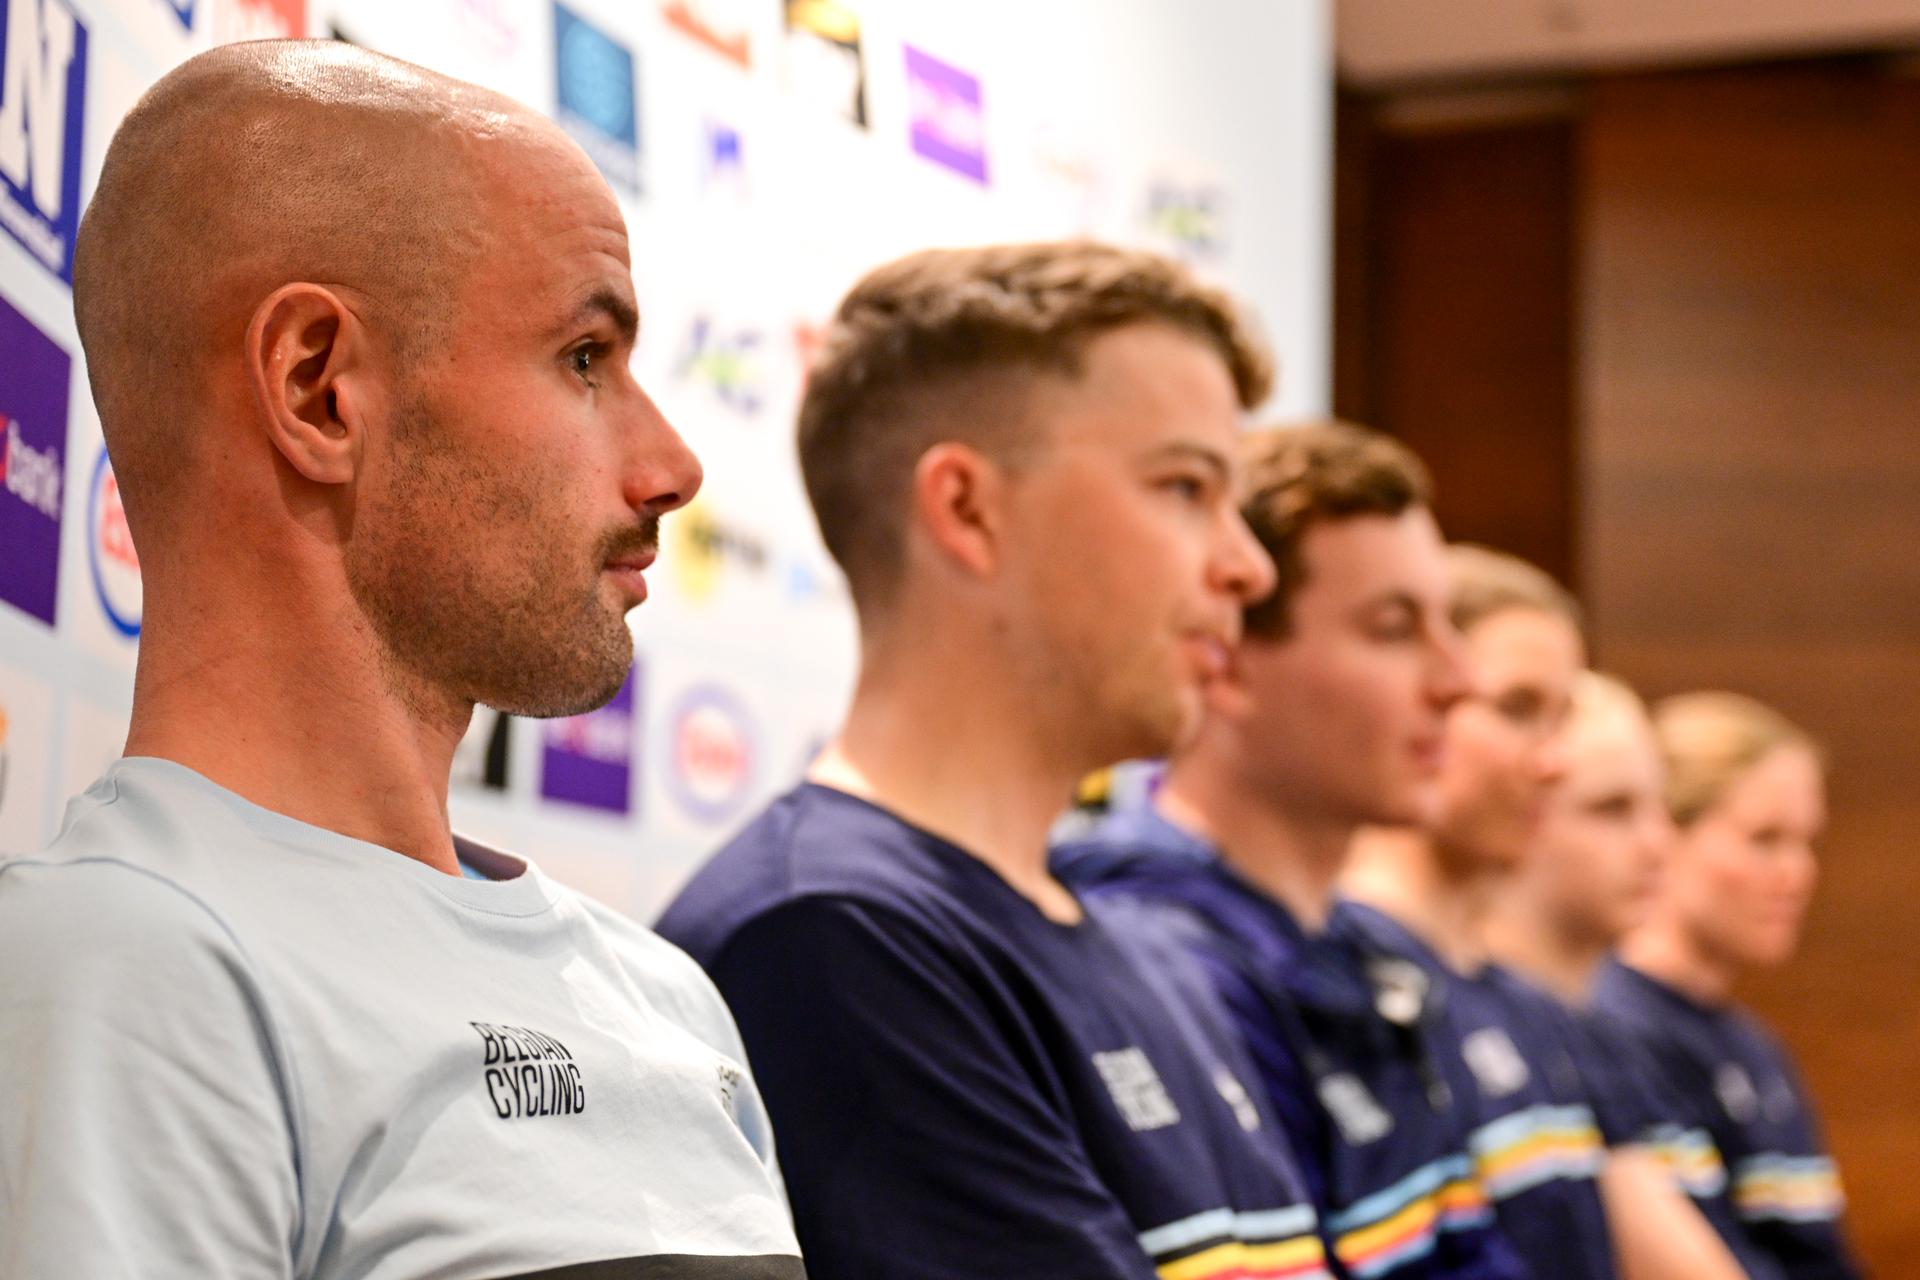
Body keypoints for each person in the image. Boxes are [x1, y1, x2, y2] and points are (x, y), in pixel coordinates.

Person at [0, 41, 800, 1279]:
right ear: (319, 388)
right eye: (586, 357)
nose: (675, 465)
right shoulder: (124, 969)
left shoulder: (665, 995)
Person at [657, 242, 1331, 1280]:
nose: (1247, 564)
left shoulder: (1124, 944)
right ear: (968, 509)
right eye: (1187, 486)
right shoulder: (832, 938)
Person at [1054, 422, 1535, 1280]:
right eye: (1394, 628)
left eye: (1446, 625)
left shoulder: (1368, 950)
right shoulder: (1150, 959)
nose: (1456, 680)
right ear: (1229, 659)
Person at [1339, 547, 1738, 1280]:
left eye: (1559, 719)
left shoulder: (1529, 1006)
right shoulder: (1349, 977)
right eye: (1517, 708)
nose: (1552, 762)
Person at [1485, 673, 1784, 1279]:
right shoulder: (1491, 1023)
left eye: (1660, 810)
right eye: (1611, 809)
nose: (1657, 847)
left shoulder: (1585, 1031)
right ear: (1520, 815)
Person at [1594, 693, 1865, 1280]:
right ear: (1664, 834)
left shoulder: (1753, 1046)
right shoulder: (1608, 1031)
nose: (1798, 873)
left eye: (1806, 841)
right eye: (1765, 839)